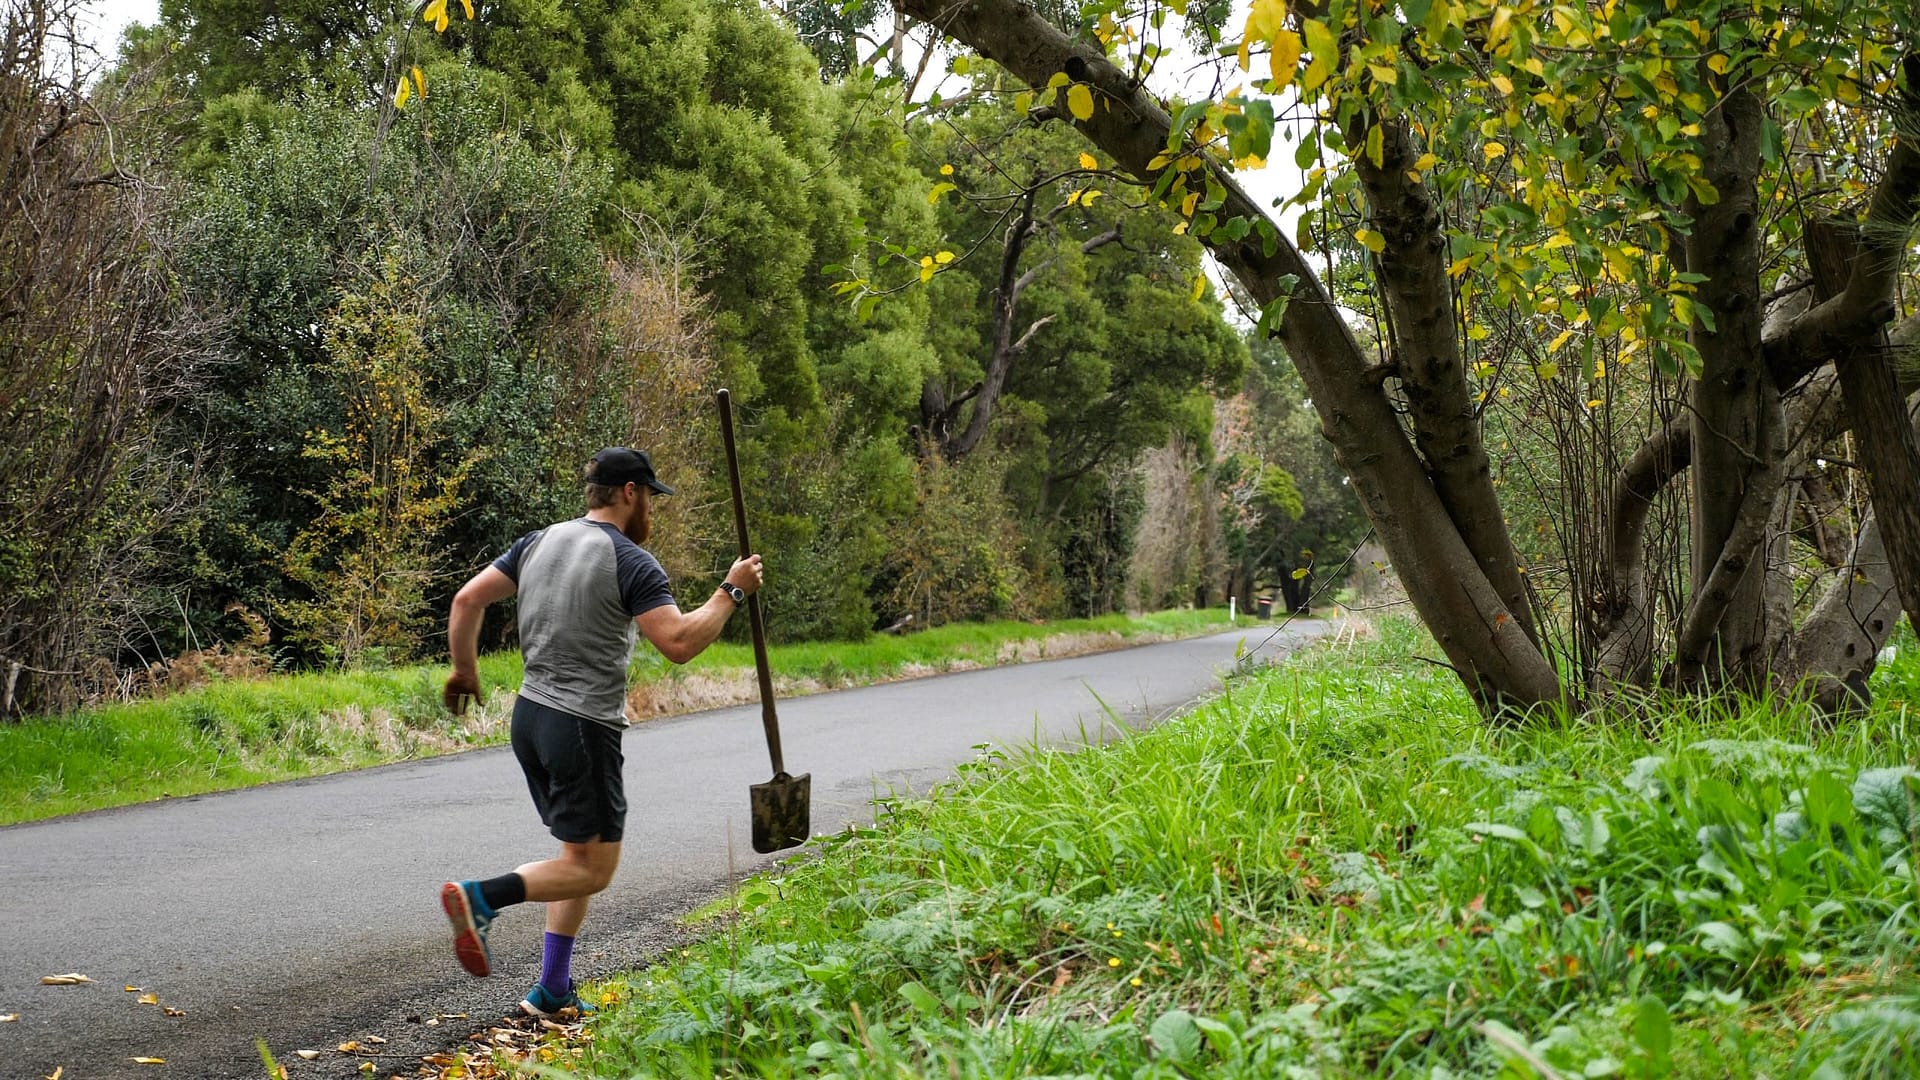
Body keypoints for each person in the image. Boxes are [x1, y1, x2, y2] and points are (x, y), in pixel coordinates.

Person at [437, 446, 763, 1018]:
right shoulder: (630, 560)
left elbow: (467, 600)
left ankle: (553, 988)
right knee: (592, 868)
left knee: (573, 854)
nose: (653, 516)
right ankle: (481, 897)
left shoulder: (538, 542)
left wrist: (465, 670)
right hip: (581, 726)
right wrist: (730, 592)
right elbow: (679, 643)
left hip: (529, 716)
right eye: (652, 500)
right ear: (631, 492)